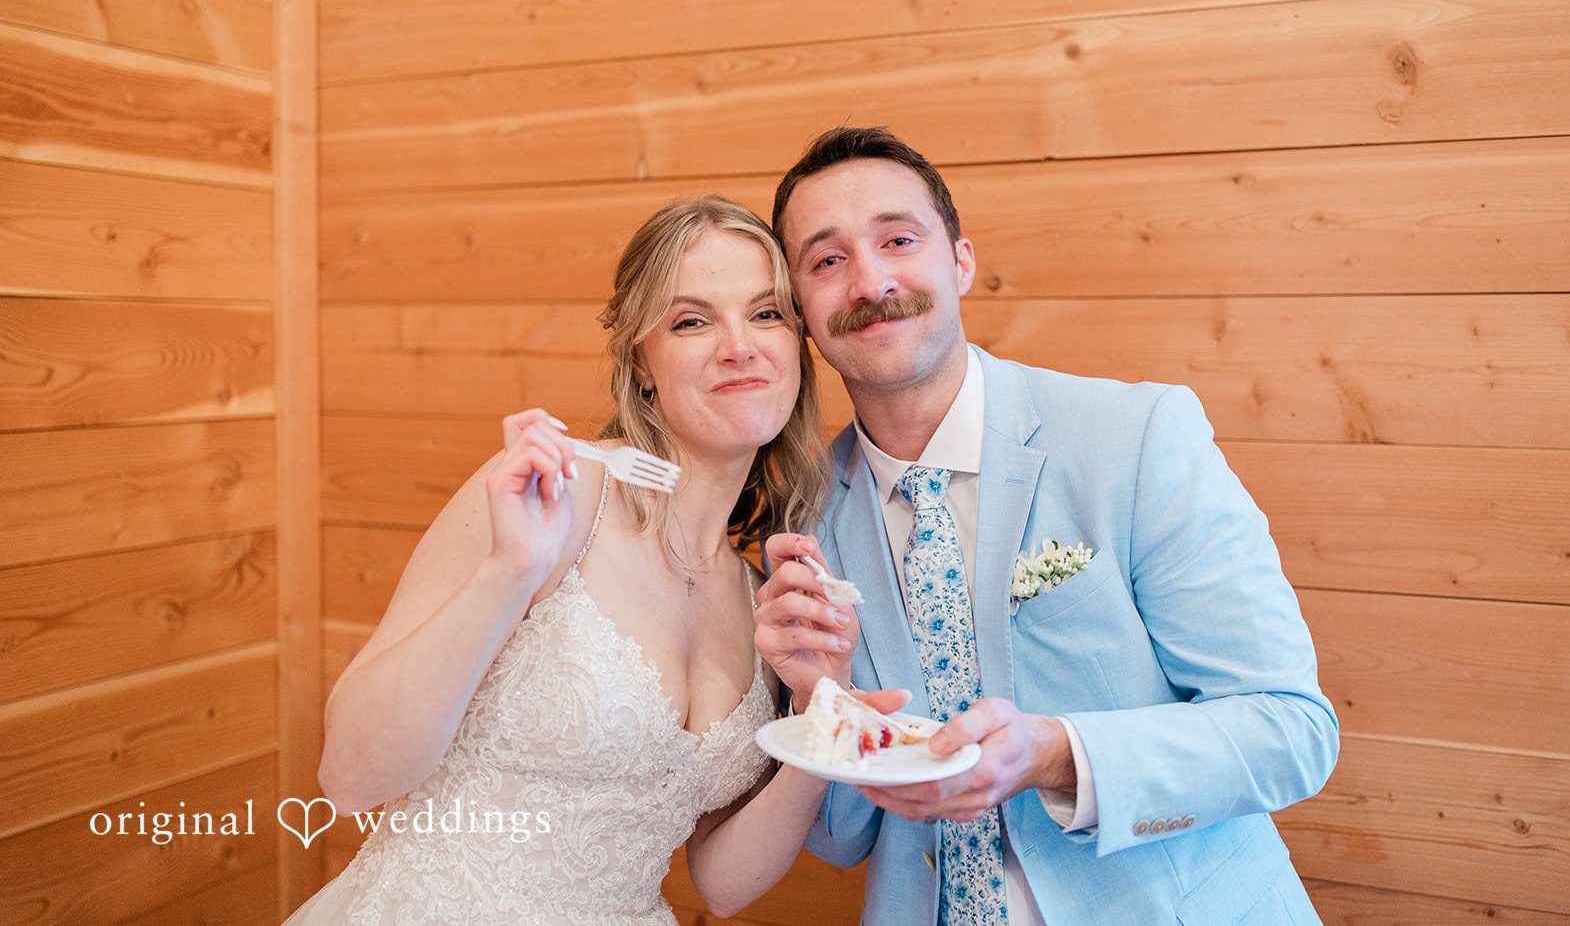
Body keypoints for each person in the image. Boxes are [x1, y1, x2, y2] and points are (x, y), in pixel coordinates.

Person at [755, 127, 1339, 924]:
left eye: (898, 238)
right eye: (827, 261)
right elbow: (842, 840)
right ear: (801, 311)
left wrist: (1059, 754)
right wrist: (816, 697)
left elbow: (1289, 726)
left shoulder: (1137, 437)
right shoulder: (806, 520)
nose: (871, 280)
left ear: (959, 260)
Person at [286, 195, 895, 924]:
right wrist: (507, 572)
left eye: (766, 313)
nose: (740, 344)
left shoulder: (759, 594)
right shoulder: (553, 498)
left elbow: (723, 883)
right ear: (642, 362)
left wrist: (821, 723)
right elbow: (349, 775)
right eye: (692, 320)